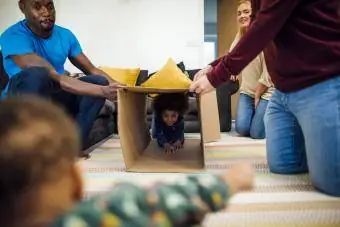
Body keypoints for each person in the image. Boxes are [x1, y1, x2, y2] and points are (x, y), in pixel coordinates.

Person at [0, 96, 254, 227]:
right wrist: (227, 181)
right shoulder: (93, 218)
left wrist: (177, 143)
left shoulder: (177, 123)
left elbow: (178, 136)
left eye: (173, 115)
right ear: (77, 180)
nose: (170, 118)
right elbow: (159, 201)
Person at [190, 0, 340, 197]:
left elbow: (263, 28)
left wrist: (216, 76)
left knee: (332, 182)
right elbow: (256, 29)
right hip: (282, 92)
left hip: (321, 82)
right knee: (283, 165)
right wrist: (213, 65)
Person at [0, 0, 118, 152]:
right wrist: (103, 91)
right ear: (23, 7)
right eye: (37, 6)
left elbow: (92, 70)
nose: (46, 12)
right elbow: (55, 77)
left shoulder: (65, 35)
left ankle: (73, 147)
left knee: (99, 81)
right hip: (21, 98)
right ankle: (34, 148)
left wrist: (123, 89)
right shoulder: (12, 36)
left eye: (50, 6)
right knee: (37, 75)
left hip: (55, 93)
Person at [218, 0, 274, 139]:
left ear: (254, 14)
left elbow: (269, 72)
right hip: (247, 92)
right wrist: (232, 71)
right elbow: (231, 57)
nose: (242, 15)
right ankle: (258, 117)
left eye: (246, 12)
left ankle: (273, 122)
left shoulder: (265, 36)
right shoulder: (240, 36)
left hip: (267, 91)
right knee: (242, 129)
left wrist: (257, 96)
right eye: (239, 13)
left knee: (257, 133)